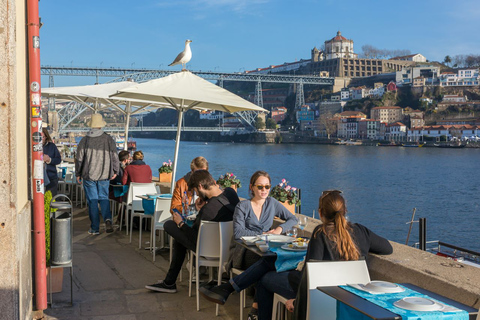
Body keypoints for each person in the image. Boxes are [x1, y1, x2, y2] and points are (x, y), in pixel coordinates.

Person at [201, 190, 393, 320]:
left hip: (320, 294)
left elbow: (309, 276)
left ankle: (232, 292)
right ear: (345, 211)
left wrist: (298, 300)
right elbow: (387, 248)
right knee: (270, 264)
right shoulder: (360, 231)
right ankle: (228, 289)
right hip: (350, 295)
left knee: (265, 278)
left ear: (320, 212)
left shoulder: (320, 234)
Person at [145, 170, 239, 293]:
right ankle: (169, 282)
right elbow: (219, 204)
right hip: (229, 247)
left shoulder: (208, 210)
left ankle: (169, 282)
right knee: (180, 237)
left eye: (196, 191)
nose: (197, 195)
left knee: (170, 225)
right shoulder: (230, 193)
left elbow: (194, 237)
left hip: (208, 249)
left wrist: (181, 223)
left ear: (200, 186)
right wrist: (205, 202)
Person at [228, 170, 298, 318]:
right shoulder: (243, 206)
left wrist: (279, 229)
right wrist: (263, 235)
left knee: (270, 265)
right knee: (266, 266)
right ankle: (256, 310)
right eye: (260, 187)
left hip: (266, 250)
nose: (264, 190)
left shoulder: (272, 203)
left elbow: (293, 219)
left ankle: (257, 309)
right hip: (246, 252)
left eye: (267, 187)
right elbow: (238, 233)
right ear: (252, 187)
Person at [75, 114, 119, 235]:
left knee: (92, 201)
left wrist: (77, 173)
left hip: (88, 175)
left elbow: (79, 158)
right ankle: (108, 219)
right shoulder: (108, 139)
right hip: (105, 174)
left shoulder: (85, 140)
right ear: (101, 125)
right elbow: (115, 156)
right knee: (103, 197)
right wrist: (115, 170)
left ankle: (95, 228)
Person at [42, 127, 62, 196]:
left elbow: (58, 160)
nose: (41, 139)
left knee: (51, 200)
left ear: (46, 137)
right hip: (39, 178)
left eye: (43, 137)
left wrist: (49, 160)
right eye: (39, 137)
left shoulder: (52, 146)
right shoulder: (33, 147)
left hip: (51, 177)